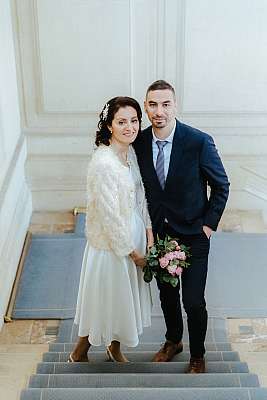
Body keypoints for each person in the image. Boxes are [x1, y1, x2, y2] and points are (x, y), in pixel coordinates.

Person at [133, 80, 230, 373]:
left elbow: (221, 185)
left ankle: (198, 355)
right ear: (146, 106)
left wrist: (208, 226)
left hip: (194, 236)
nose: (158, 111)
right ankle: (173, 340)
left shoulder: (198, 141)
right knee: (167, 295)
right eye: (152, 104)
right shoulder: (138, 142)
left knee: (193, 301)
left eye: (165, 104)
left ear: (176, 105)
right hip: (160, 237)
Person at [69, 96, 153, 363]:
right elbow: (109, 218)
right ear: (109, 125)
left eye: (134, 121)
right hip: (112, 245)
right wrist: (133, 253)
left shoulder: (131, 153)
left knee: (123, 299)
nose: (130, 127)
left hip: (135, 233)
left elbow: (141, 197)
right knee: (103, 299)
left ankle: (114, 347)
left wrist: (149, 234)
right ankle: (79, 352)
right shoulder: (103, 164)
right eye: (122, 122)